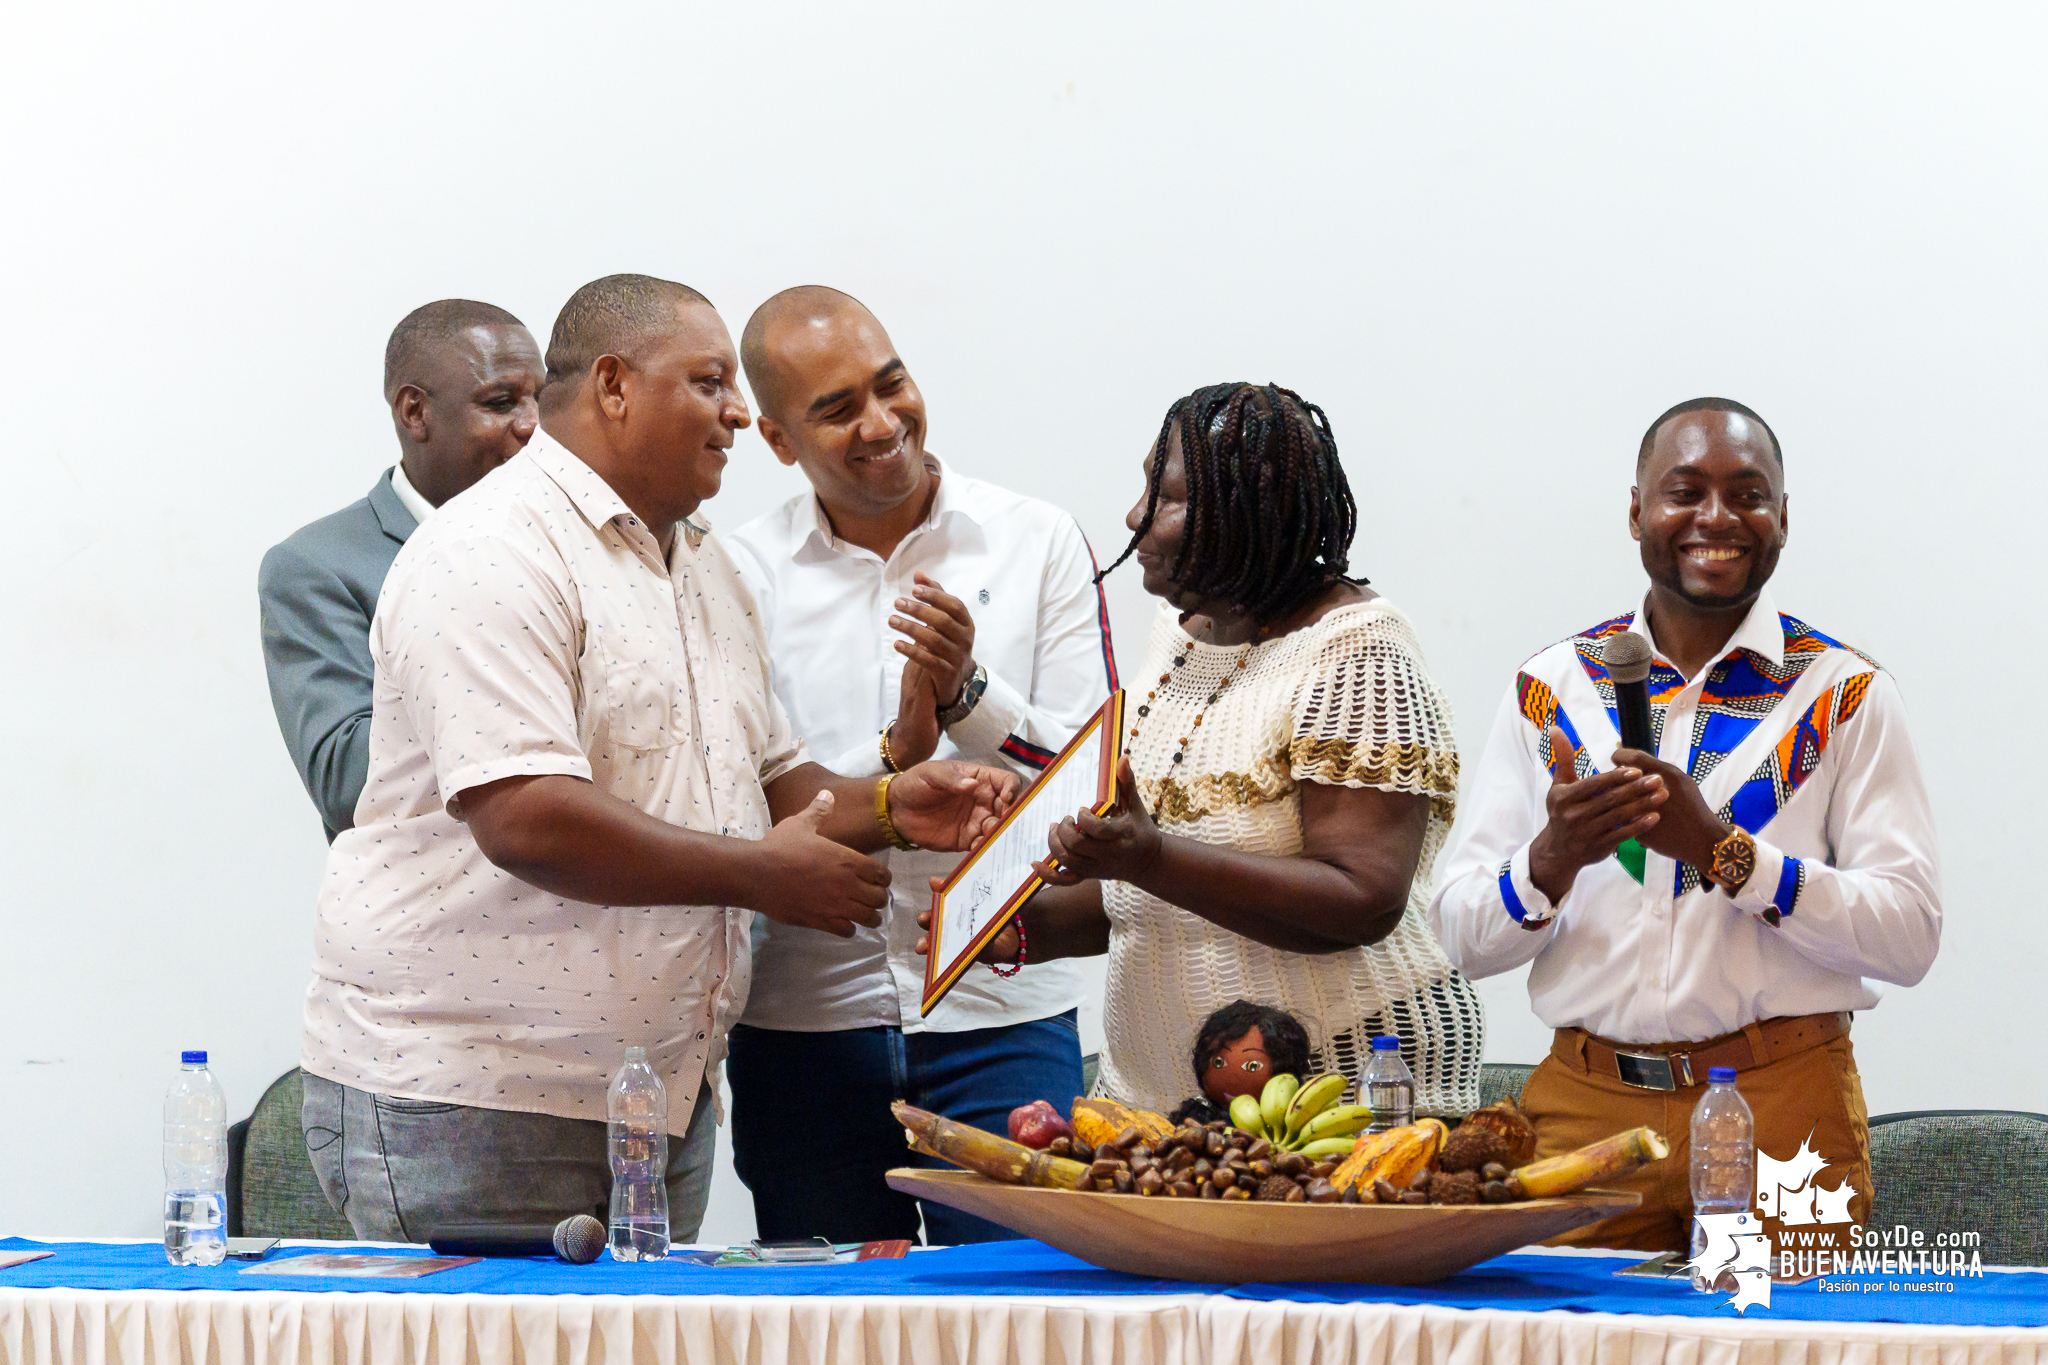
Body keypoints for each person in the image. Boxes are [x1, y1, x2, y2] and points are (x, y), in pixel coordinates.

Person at [298, 274, 1018, 1243]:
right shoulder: (491, 548)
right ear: (614, 385)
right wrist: (762, 877)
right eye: (710, 381)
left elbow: (767, 786)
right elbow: (526, 817)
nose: (734, 413)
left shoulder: (703, 566)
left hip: (654, 1094)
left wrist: (892, 805)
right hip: (478, 1092)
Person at [1429, 398, 1941, 1252]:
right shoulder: (1552, 689)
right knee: (1558, 1350)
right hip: (1587, 1105)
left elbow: (1909, 936)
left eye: (1748, 494)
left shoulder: (1845, 695)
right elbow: (1461, 938)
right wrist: (1553, 857)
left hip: (1783, 1103)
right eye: (1685, 491)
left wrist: (1724, 853)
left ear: (1782, 519)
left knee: (1787, 1352)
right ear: (1636, 511)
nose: (1717, 517)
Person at [924, 382, 1484, 1119]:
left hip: (1345, 1097)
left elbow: (1362, 898)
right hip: (1174, 1104)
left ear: (1252, 513)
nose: (1134, 517)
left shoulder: (1358, 654)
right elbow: (1157, 888)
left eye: (1166, 498)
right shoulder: (1182, 636)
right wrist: (1004, 930)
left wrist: (1147, 855)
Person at [723, 286, 1115, 1244]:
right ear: (778, 440)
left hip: (1003, 1010)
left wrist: (971, 698)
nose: (880, 422)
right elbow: (743, 805)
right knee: (827, 1326)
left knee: (1032, 1316)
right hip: (807, 1017)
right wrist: (897, 757)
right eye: (836, 408)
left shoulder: (1035, 539)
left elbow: (1091, 783)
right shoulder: (736, 573)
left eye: (890, 384)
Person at [258, 300, 544, 840]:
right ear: (415, 412)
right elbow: (348, 785)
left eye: (541, 401)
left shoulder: (565, 541)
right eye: (502, 402)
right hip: (431, 915)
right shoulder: (318, 567)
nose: (532, 425)